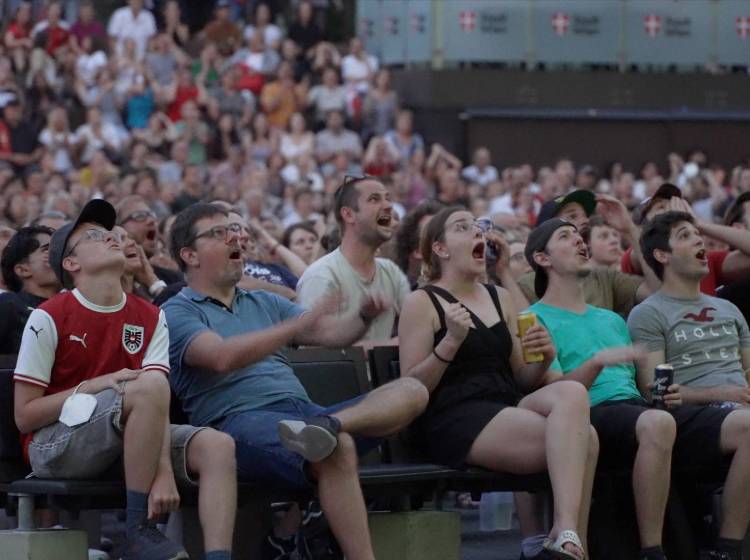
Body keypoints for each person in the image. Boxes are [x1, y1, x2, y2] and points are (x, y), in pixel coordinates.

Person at [162, 202, 428, 560]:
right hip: (238, 423)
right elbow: (222, 357)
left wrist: (362, 317)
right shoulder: (177, 311)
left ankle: (327, 425)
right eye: (219, 232)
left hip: (305, 415)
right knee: (338, 447)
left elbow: (328, 332)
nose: (236, 236)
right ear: (189, 254)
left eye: (236, 230)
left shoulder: (261, 300)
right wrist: (292, 326)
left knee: (412, 389)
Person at [13, 199, 237, 560]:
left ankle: (218, 558)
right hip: (53, 445)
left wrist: (163, 470)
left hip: (128, 436)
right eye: (94, 236)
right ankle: (137, 531)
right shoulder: (48, 316)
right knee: (145, 387)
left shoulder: (150, 315)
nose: (112, 237)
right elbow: (25, 416)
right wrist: (97, 384)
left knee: (217, 446)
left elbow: (156, 401)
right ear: (72, 264)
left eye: (111, 232)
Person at [398, 207, 597, 560]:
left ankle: (563, 537)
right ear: (441, 249)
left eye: (478, 227)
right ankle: (569, 540)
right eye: (463, 228)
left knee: (573, 392)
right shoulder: (421, 302)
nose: (477, 233)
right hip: (454, 416)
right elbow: (411, 387)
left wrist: (545, 358)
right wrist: (449, 343)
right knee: (586, 440)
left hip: (505, 406)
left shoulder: (499, 297)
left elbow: (522, 376)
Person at [525, 218, 680, 560]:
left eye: (580, 237)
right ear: (542, 258)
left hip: (633, 409)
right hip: (585, 416)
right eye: (565, 237)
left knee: (667, 418)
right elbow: (556, 393)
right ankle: (652, 552)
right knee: (659, 423)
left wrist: (666, 393)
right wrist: (597, 362)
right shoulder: (533, 320)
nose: (580, 242)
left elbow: (643, 389)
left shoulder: (611, 319)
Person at [628, 211, 750, 560]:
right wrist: (720, 394)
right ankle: (726, 550)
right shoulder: (649, 313)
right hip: (689, 416)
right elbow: (655, 390)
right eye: (685, 235)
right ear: (662, 255)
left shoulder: (728, 309)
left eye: (699, 234)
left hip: (737, 412)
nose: (700, 241)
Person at [297, 176, 410, 345]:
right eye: (374, 199)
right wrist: (401, 344)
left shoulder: (390, 271)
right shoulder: (321, 276)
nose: (388, 206)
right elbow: (317, 357)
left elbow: (416, 325)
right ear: (348, 214)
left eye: (388, 198)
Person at [518, 190, 653, 315]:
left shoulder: (605, 277)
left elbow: (656, 293)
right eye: (572, 217)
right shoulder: (527, 286)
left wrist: (629, 229)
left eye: (585, 216)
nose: (585, 221)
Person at [623, 183, 750, 296]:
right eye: (661, 207)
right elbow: (644, 248)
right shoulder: (637, 254)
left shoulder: (707, 261)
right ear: (642, 227)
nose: (673, 210)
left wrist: (699, 223)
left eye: (677, 205)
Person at [0, 225, 60, 354]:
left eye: (59, 249)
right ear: (23, 270)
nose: (58, 255)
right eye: (47, 249)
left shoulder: (71, 305)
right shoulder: (8, 304)